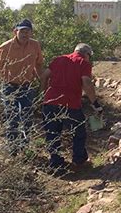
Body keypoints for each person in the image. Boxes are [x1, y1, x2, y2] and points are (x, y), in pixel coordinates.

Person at [40, 43, 103, 174]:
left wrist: (44, 94)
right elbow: (86, 83)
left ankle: (55, 163)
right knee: (78, 132)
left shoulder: (59, 59)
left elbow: (44, 76)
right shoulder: (83, 63)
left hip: (50, 103)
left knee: (52, 133)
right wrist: (95, 103)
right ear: (87, 55)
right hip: (71, 104)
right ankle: (79, 160)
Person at [0, 19, 44, 156]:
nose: (25, 34)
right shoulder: (6, 46)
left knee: (27, 119)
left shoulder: (35, 45)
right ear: (15, 32)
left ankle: (24, 150)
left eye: (27, 31)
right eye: (22, 31)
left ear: (31, 32)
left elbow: (39, 64)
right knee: (12, 119)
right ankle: (12, 150)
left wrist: (42, 81)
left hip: (26, 87)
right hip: (9, 86)